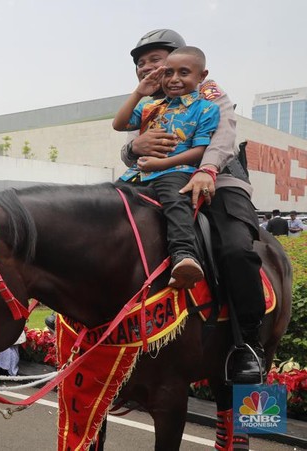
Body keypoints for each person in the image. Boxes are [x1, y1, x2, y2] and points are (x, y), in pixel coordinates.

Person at [120, 29, 267, 382]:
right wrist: (134, 149)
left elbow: (224, 134)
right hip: (155, 183)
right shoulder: (148, 102)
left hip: (216, 182)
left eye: (156, 60)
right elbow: (129, 147)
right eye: (141, 64)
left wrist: (207, 169)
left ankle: (249, 344)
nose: (148, 69)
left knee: (235, 250)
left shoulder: (208, 92)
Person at [114, 45, 218, 289]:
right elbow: (119, 124)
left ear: (202, 76)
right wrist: (139, 92)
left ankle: (184, 255)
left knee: (175, 201)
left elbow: (199, 151)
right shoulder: (150, 106)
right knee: (106, 199)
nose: (174, 79)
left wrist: (162, 163)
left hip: (175, 172)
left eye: (183, 73)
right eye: (168, 73)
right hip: (138, 173)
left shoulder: (207, 108)